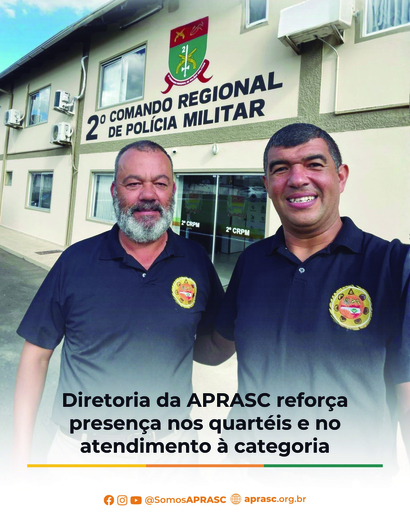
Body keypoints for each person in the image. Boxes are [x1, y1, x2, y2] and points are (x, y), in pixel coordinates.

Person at [13, 140, 230, 466]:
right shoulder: (75, 261)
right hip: (83, 455)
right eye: (133, 183)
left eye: (160, 183)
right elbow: (36, 357)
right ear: (115, 191)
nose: (148, 194)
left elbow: (211, 346)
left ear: (173, 191)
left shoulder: (196, 260)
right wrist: (19, 458)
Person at [213, 123, 410, 470]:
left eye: (314, 164)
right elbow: (218, 345)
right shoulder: (251, 261)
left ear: (341, 176)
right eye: (281, 169)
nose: (297, 179)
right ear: (267, 185)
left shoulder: (395, 266)